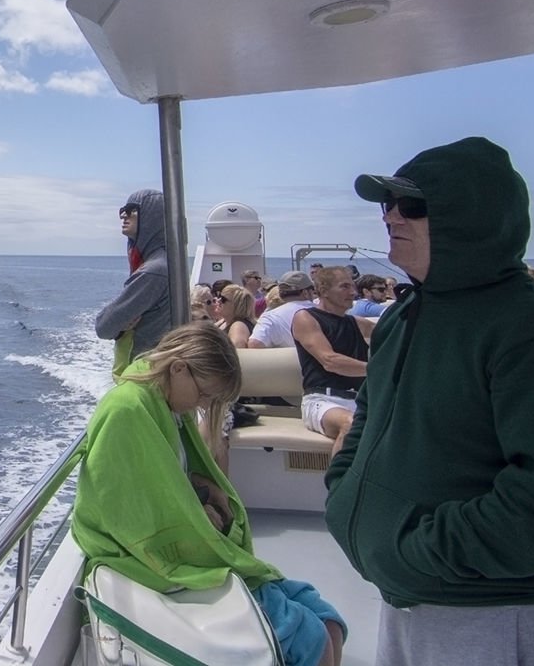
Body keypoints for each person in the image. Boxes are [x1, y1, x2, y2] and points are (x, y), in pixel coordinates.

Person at [325, 137, 534, 666]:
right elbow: (368, 416)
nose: (391, 215)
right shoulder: (405, 316)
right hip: (412, 603)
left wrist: (419, 550)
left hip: (499, 619)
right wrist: (346, 494)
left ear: (469, 218)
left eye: (411, 205)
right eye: (386, 203)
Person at [73, 322, 347, 666]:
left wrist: (205, 491)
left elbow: (158, 479)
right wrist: (198, 518)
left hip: (179, 538)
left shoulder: (165, 404)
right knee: (315, 638)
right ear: (178, 368)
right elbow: (121, 510)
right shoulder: (127, 411)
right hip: (139, 558)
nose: (201, 406)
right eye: (205, 396)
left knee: (328, 620)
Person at [291, 267, 371, 456]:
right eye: (344, 286)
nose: (353, 292)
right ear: (323, 290)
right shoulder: (305, 318)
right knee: (351, 425)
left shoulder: (357, 323)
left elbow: (396, 335)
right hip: (322, 401)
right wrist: (378, 370)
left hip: (359, 400)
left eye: (353, 286)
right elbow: (330, 361)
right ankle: (339, 484)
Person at [95, 190, 171, 375]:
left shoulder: (154, 271)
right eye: (122, 210)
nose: (123, 215)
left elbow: (104, 327)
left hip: (143, 376)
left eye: (131, 210)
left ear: (152, 216)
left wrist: (120, 325)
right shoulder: (165, 263)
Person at [248, 270, 314, 348]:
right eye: (312, 289)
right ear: (306, 293)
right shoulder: (324, 311)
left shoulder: (270, 317)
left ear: (281, 294)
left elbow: (254, 344)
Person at [216, 283, 259, 350]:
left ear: (238, 305)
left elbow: (237, 350)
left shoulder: (238, 326)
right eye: (219, 296)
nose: (218, 300)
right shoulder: (224, 321)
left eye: (223, 299)